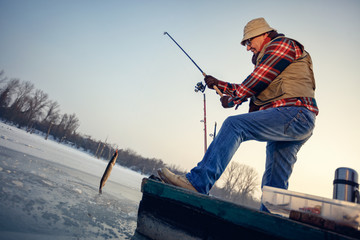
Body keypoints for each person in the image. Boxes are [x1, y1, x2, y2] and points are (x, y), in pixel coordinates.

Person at [158, 17, 318, 212]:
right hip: (296, 121)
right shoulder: (272, 59)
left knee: (234, 125)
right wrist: (219, 85)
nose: (247, 47)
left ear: (264, 34)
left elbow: (255, 81)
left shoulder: (282, 45)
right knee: (275, 182)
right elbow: (255, 87)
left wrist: (232, 98)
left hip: (294, 115)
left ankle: (198, 182)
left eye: (249, 41)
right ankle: (270, 221)